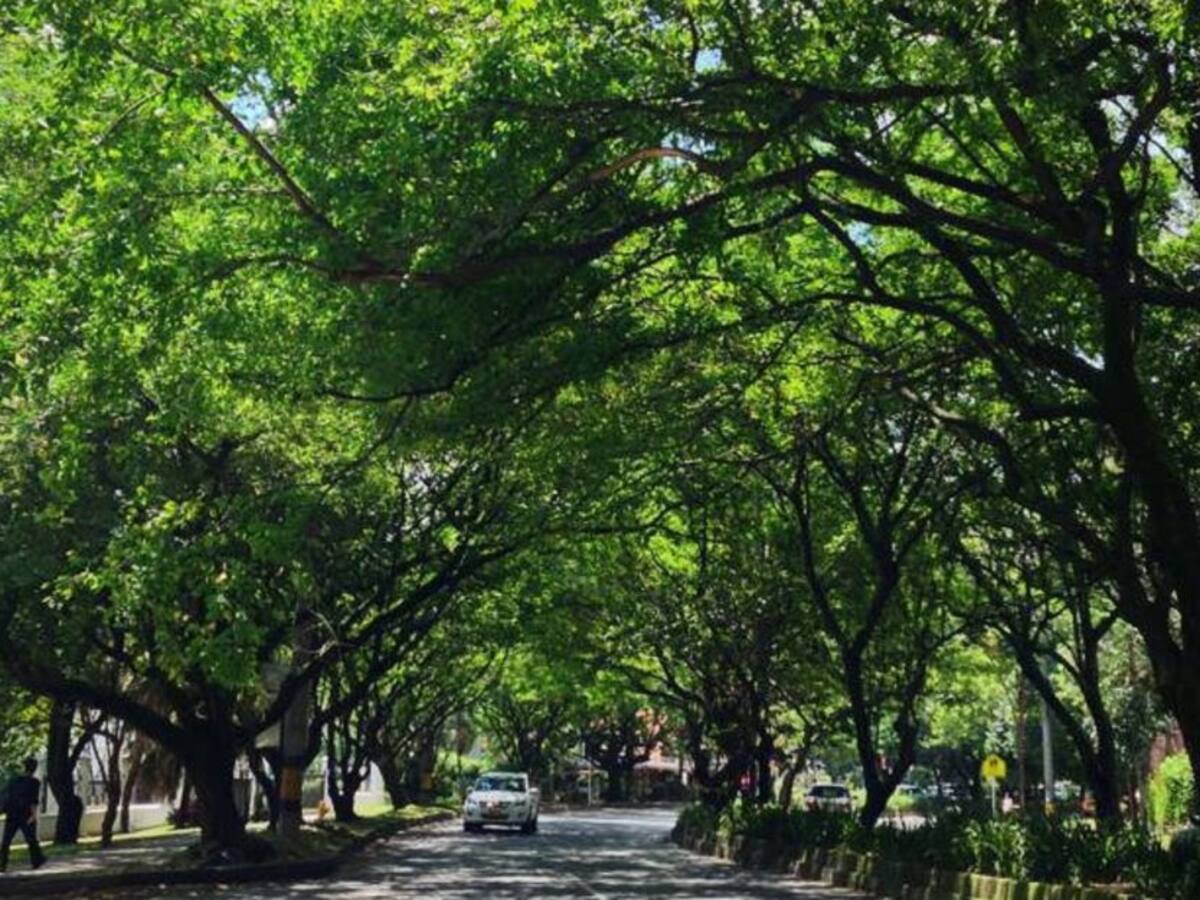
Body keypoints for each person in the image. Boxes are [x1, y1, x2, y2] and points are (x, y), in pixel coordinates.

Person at [1, 757, 46, 872]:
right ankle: (37, 860)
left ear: (24, 767)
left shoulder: (14, 780)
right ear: (34, 769)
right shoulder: (34, 782)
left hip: (12, 813)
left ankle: (2, 863)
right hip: (26, 814)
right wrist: (34, 815)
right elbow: (33, 801)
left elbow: (8, 795)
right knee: (31, 839)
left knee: (6, 840)